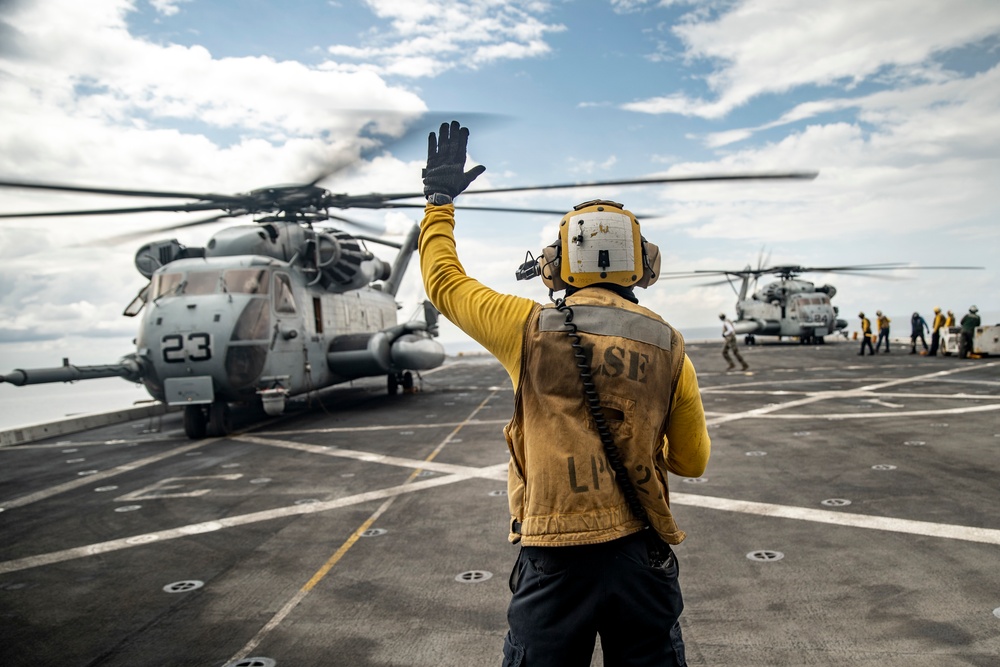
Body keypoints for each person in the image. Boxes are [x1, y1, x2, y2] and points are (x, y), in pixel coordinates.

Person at [419, 121, 709, 667]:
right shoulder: (669, 345)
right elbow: (692, 461)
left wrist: (439, 203)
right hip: (639, 556)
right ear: (644, 264)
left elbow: (444, 282)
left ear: (558, 264)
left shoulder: (524, 326)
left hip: (553, 556)